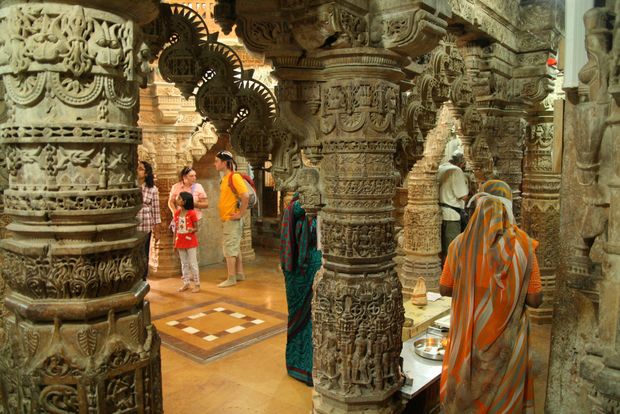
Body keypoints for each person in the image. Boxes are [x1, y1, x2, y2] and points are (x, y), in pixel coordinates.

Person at [438, 180, 543, 414]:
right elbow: (535, 299)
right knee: (504, 398)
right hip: (509, 342)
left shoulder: (459, 245)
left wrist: (474, 288)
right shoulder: (524, 246)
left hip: (470, 336)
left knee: (466, 394)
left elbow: (445, 288)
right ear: (508, 210)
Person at [280, 193, 322, 385]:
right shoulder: (297, 207)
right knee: (302, 319)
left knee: (316, 319)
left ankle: (313, 366)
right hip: (301, 271)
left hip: (314, 266)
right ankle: (301, 366)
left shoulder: (318, 207)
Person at [214, 151, 248, 287]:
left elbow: (245, 196)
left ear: (224, 163)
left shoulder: (234, 177)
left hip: (232, 219)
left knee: (229, 248)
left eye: (217, 161)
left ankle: (231, 278)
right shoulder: (225, 178)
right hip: (228, 219)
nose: (215, 164)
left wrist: (240, 213)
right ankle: (239, 274)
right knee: (234, 246)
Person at [438, 150, 469, 264]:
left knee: (442, 248)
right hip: (452, 216)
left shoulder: (440, 168)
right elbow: (463, 196)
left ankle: (444, 273)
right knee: (453, 249)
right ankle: (450, 276)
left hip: (439, 213)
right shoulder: (456, 170)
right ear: (461, 162)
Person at [137, 161, 161, 279]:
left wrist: (157, 229)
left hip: (145, 225)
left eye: (140, 169)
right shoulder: (132, 186)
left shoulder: (152, 189)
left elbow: (156, 211)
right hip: (132, 225)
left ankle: (143, 278)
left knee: (144, 253)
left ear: (146, 173)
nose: (138, 170)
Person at [174, 192, 201, 293]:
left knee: (193, 263)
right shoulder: (177, 213)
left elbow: (196, 228)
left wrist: (192, 230)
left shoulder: (192, 213)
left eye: (179, 198)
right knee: (184, 263)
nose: (177, 199)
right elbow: (176, 229)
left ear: (184, 201)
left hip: (190, 241)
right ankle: (186, 282)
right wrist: (174, 242)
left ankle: (197, 284)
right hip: (180, 240)